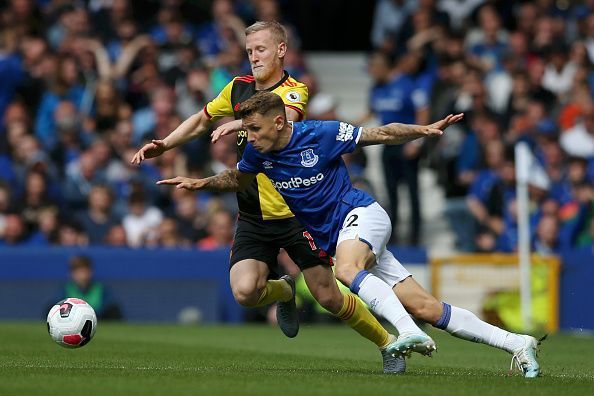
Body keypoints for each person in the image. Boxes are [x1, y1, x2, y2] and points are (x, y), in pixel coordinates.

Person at [158, 91, 544, 378]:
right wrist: (200, 183)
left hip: (360, 214)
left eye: (254, 128)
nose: (250, 137)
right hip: (340, 232)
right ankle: (517, 343)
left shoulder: (320, 134)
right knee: (426, 306)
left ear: (278, 122)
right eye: (246, 130)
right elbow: (236, 178)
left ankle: (407, 333)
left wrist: (423, 130)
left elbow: (380, 134)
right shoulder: (259, 153)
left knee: (346, 270)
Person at [132, 21, 404, 373]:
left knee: (328, 296)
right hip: (253, 215)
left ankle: (388, 344)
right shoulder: (237, 88)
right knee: (245, 292)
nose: (253, 57)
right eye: (248, 51)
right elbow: (201, 120)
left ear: (280, 50)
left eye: (260, 49)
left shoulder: (294, 90)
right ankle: (286, 290)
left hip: (297, 214)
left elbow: (283, 121)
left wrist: (239, 123)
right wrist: (165, 143)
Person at [54, 255, 122, 320]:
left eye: (85, 271)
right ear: (71, 273)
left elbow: (109, 307)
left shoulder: (100, 288)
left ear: (91, 272)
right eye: (79, 272)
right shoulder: (66, 289)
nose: (83, 276)